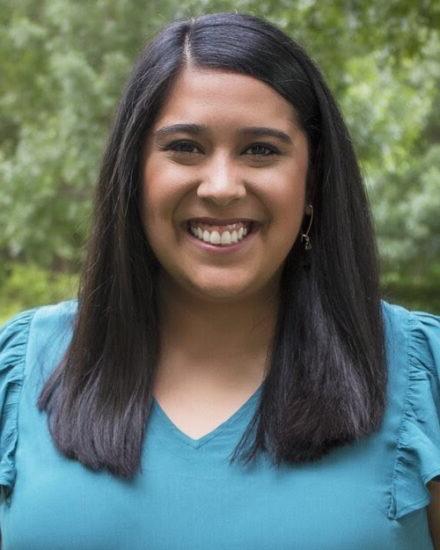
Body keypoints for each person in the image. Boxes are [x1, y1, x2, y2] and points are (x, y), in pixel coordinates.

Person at [0, 11, 439, 549]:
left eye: (261, 150)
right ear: (133, 174)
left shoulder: (423, 375)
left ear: (313, 180)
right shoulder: (20, 373)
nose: (223, 186)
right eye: (185, 147)